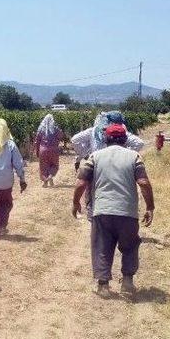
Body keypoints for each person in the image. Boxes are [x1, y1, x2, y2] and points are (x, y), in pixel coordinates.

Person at [72, 124, 155, 298]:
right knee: (130, 246)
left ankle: (103, 286)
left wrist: (75, 203)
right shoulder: (134, 157)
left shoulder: (95, 156)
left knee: (101, 245)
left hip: (102, 211)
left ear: (106, 139)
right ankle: (127, 282)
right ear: (124, 139)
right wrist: (150, 207)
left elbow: (81, 183)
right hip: (127, 212)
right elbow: (144, 183)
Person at [34, 114, 64, 187]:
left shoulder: (41, 129)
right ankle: (50, 176)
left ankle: (45, 182)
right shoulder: (55, 129)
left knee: (43, 166)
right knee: (54, 165)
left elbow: (37, 141)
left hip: (43, 150)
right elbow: (61, 136)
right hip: (54, 149)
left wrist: (37, 152)